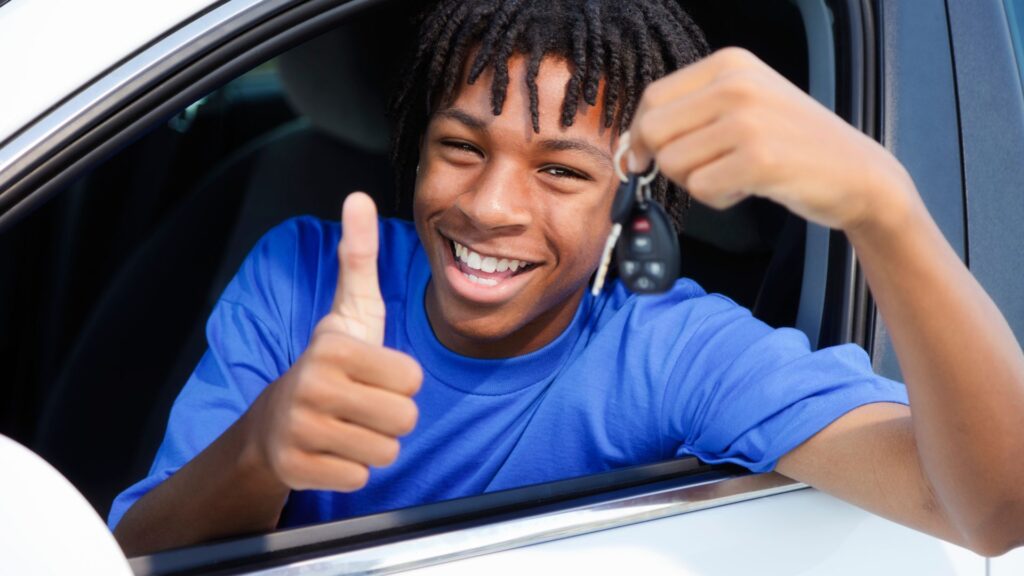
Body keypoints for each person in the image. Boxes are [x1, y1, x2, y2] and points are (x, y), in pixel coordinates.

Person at [110, 0, 1024, 557]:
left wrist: (883, 207)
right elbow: (132, 556)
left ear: (633, 201)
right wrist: (265, 446)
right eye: (461, 148)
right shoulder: (304, 275)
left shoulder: (668, 350)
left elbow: (992, 514)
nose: (493, 206)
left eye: (561, 172)